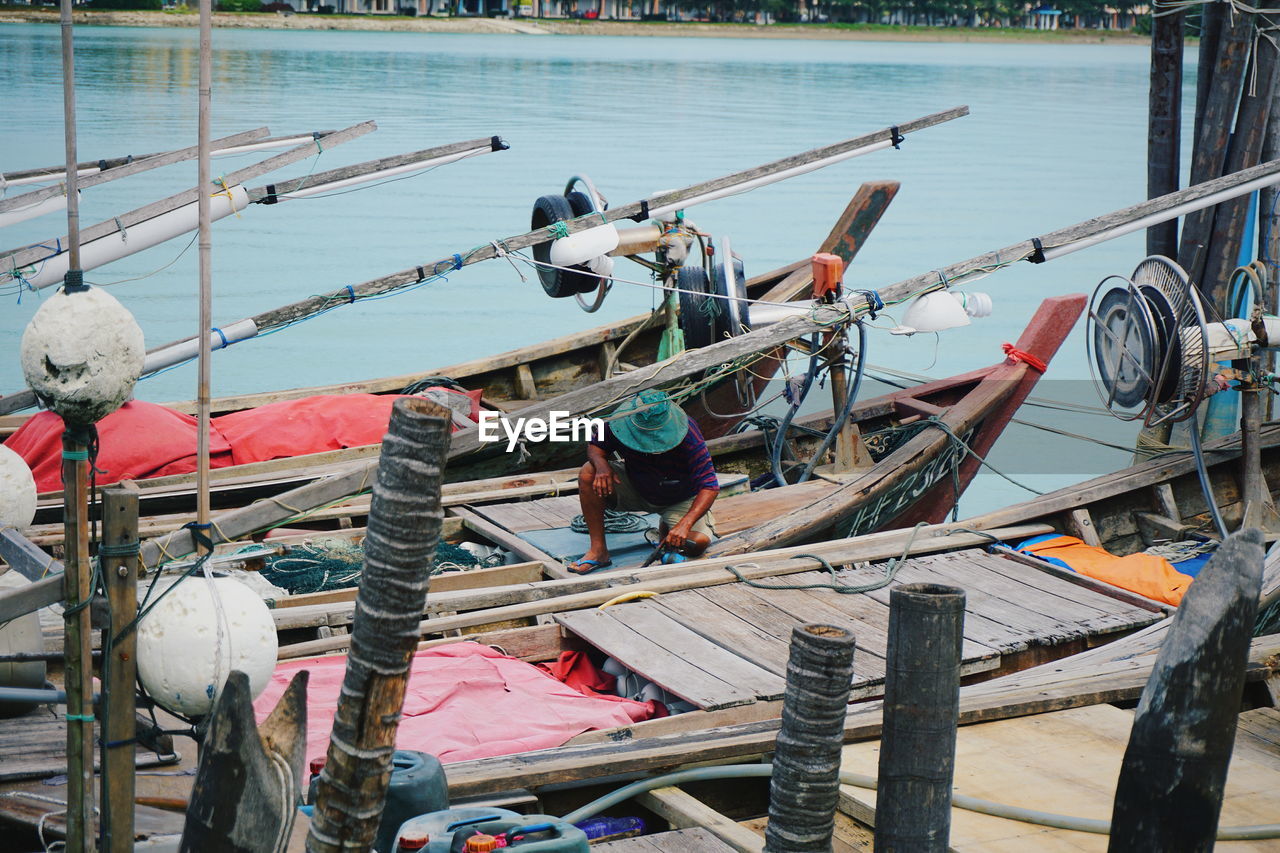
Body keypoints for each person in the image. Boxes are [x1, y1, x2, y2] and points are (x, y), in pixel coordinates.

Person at [566, 389, 719, 575]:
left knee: (698, 543)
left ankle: (667, 527)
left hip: (679, 498)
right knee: (588, 471)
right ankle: (598, 551)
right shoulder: (619, 422)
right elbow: (595, 447)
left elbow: (710, 486)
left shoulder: (688, 431)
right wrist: (601, 465)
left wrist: (685, 524)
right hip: (635, 486)